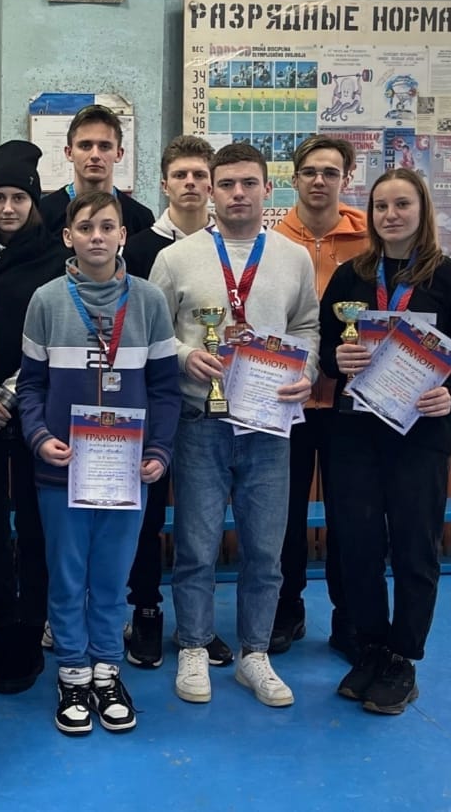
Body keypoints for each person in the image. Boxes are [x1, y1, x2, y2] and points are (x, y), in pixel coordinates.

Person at [149, 142, 319, 709]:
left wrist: (307, 372)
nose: (238, 193)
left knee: (266, 551)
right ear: (210, 191)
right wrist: (183, 355)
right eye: (226, 184)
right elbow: (154, 331)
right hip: (200, 421)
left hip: (269, 425)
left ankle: (255, 654)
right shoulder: (176, 258)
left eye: (249, 183)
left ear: (268, 189)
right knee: (196, 547)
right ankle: (194, 645)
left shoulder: (294, 257)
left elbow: (308, 326)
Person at [319, 168, 451, 714]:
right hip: (355, 432)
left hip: (420, 435)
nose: (390, 215)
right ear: (369, 215)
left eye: (402, 205)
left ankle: (403, 657)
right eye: (380, 206)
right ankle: (371, 645)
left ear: (422, 211)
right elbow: (326, 352)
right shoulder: (350, 278)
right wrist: (337, 358)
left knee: (415, 547)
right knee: (358, 545)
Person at [19, 190, 181, 735]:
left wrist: (159, 450)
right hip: (60, 469)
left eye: (107, 227)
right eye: (85, 227)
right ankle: (72, 672)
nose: (96, 236)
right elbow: (31, 386)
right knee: (67, 576)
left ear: (122, 236)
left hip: (126, 471)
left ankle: (107, 670)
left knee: (112, 576)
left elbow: (164, 389)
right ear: (68, 236)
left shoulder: (149, 301)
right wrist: (40, 437)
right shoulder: (46, 300)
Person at [119, 135, 234, 671]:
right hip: (148, 402)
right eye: (180, 175)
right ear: (163, 184)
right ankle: (145, 609)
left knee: (200, 518)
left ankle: (197, 621)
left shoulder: (230, 245)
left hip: (210, 406)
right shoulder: (141, 248)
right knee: (145, 514)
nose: (191, 183)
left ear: (211, 185)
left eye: (199, 175)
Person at [0, 140, 62, 694]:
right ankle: (1, 628)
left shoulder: (55, 262)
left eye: (18, 198)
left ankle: (28, 633)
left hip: (35, 414)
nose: (7, 208)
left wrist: (11, 397)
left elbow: (55, 338)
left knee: (33, 525)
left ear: (33, 202)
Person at [271, 134, 370, 657]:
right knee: (284, 515)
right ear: (294, 178)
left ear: (346, 178)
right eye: (309, 171)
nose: (319, 181)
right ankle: (286, 608)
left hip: (351, 402)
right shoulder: (273, 240)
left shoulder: (369, 240)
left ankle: (349, 615)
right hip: (286, 399)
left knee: (349, 515)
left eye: (330, 172)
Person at [37, 105, 155, 238]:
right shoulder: (42, 215)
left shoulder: (141, 218)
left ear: (119, 154)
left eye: (104, 146)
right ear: (69, 153)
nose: (95, 155)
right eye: (85, 146)